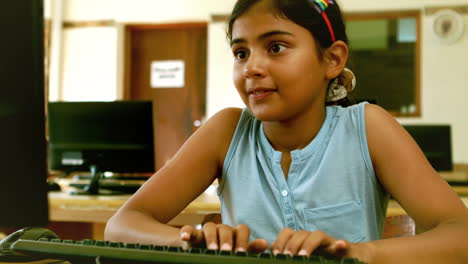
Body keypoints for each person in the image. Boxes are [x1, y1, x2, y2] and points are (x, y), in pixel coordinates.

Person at [105, 0, 468, 263]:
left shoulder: (367, 128)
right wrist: (192, 241)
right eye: (241, 53)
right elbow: (123, 224)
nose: (252, 68)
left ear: (332, 59)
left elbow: (460, 233)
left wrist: (360, 253)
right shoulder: (226, 132)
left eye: (275, 47)